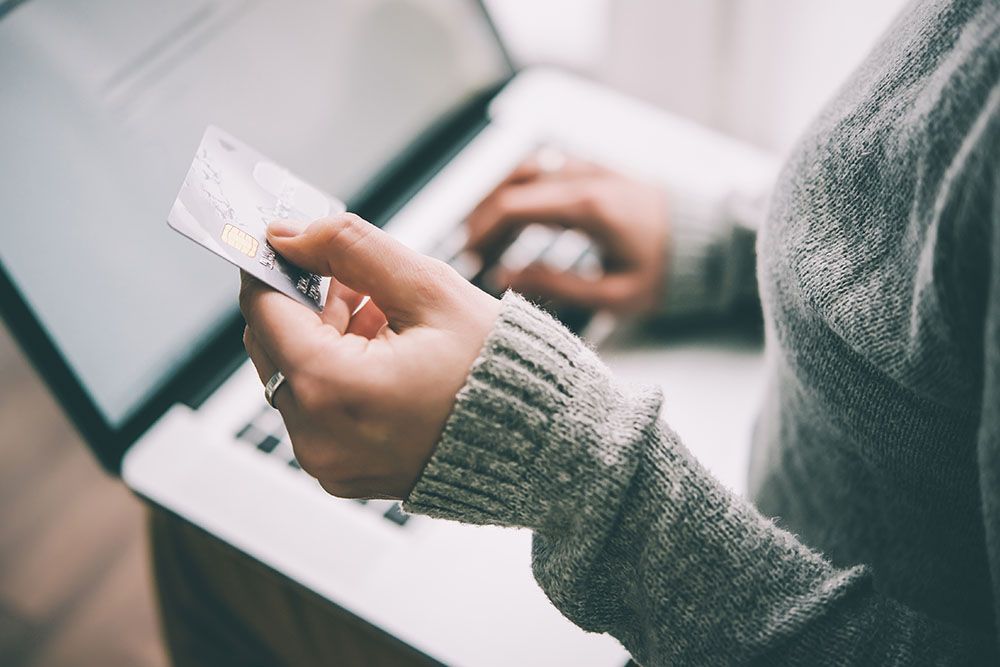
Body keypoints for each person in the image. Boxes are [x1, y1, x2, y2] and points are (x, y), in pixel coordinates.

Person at [159, 0, 999, 664]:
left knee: (189, 536)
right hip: (771, 509)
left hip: (722, 607)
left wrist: (558, 458)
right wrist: (732, 247)